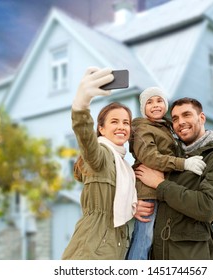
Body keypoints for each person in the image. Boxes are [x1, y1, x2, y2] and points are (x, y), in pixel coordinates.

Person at [134, 97, 213, 260]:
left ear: (201, 118)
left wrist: (160, 185)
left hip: (191, 255)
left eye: (186, 115)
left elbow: (207, 207)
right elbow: (137, 177)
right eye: (175, 118)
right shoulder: (168, 155)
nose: (180, 122)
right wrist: (133, 204)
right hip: (155, 253)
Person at [61, 67, 137, 260]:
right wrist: (81, 105)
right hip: (92, 251)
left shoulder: (124, 167)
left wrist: (137, 206)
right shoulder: (102, 155)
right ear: (101, 129)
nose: (121, 126)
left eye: (126, 122)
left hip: (113, 248)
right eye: (114, 122)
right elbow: (87, 140)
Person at [126, 88, 206, 260]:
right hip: (148, 192)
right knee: (144, 239)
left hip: (162, 190)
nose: (155, 105)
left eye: (159, 100)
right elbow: (150, 158)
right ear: (143, 108)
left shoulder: (165, 126)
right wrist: (184, 163)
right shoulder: (141, 128)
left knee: (155, 240)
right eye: (149, 102)